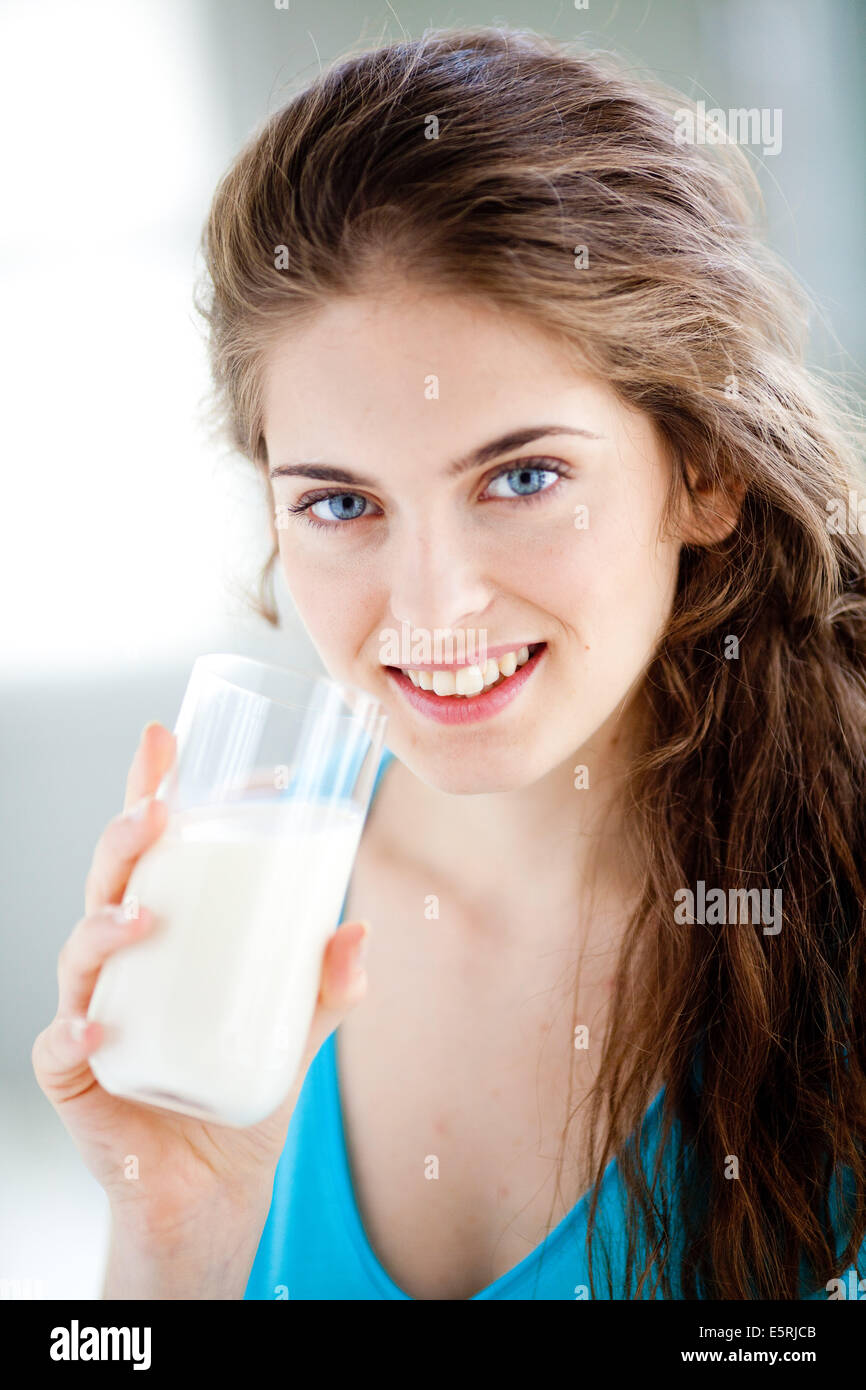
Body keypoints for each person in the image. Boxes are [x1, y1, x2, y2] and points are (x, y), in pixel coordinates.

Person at [33, 26, 866, 1300]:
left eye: (521, 477)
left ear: (703, 468)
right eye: (338, 504)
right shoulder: (235, 923)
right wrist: (168, 1244)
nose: (431, 606)